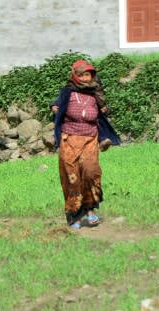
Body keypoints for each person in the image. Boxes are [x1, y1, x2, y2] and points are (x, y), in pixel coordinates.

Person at [51, 59, 120, 230]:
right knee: (72, 177)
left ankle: (90, 211)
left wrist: (103, 111)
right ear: (75, 75)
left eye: (89, 74)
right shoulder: (67, 91)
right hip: (69, 139)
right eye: (83, 74)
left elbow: (103, 112)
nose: (86, 78)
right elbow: (56, 102)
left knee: (90, 173)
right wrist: (54, 107)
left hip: (90, 138)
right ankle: (74, 215)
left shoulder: (95, 93)